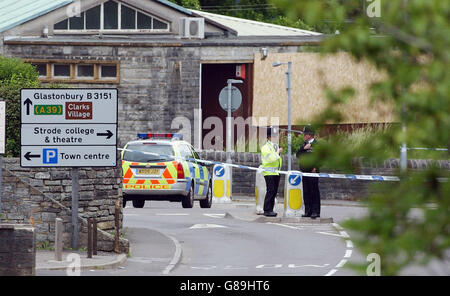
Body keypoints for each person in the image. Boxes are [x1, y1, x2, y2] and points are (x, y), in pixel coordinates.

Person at [296, 125, 321, 219]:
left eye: (305, 134)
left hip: (313, 171)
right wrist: (303, 149)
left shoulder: (317, 145)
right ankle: (308, 211)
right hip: (304, 171)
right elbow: (298, 155)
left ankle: (315, 211)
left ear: (310, 135)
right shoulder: (304, 144)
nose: (304, 136)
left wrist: (315, 167)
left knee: (314, 191)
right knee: (306, 192)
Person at [260, 126, 283, 217]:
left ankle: (271, 209)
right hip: (269, 172)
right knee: (270, 190)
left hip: (276, 172)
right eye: (274, 136)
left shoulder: (275, 146)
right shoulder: (266, 147)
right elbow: (270, 159)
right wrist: (277, 153)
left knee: (274, 191)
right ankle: (267, 210)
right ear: (269, 137)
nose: (275, 138)